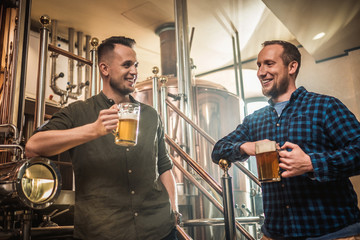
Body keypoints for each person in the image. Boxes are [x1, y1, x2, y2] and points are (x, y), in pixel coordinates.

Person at [25, 36, 179, 240]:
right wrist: (93, 130)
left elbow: (164, 167)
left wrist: (173, 211)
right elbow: (33, 146)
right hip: (103, 232)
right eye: (126, 65)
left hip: (159, 230)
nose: (134, 71)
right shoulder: (78, 112)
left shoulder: (151, 115)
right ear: (104, 69)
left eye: (135, 65)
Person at [212, 40, 360, 239]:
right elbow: (219, 150)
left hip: (333, 233)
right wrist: (245, 147)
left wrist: (311, 163)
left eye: (269, 64)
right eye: (259, 65)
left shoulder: (325, 106)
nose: (261, 72)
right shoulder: (255, 119)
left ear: (292, 66)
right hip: (275, 234)